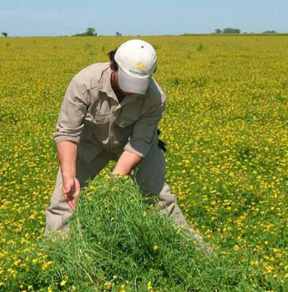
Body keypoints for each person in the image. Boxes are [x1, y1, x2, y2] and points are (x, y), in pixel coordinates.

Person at [45, 39, 207, 249]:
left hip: (133, 147)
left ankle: (194, 253)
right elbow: (67, 132)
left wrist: (113, 184)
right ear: (113, 66)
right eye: (128, 82)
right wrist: (69, 177)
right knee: (64, 199)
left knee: (159, 198)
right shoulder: (84, 83)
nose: (131, 91)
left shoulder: (155, 98)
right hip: (91, 143)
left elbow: (139, 144)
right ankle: (57, 255)